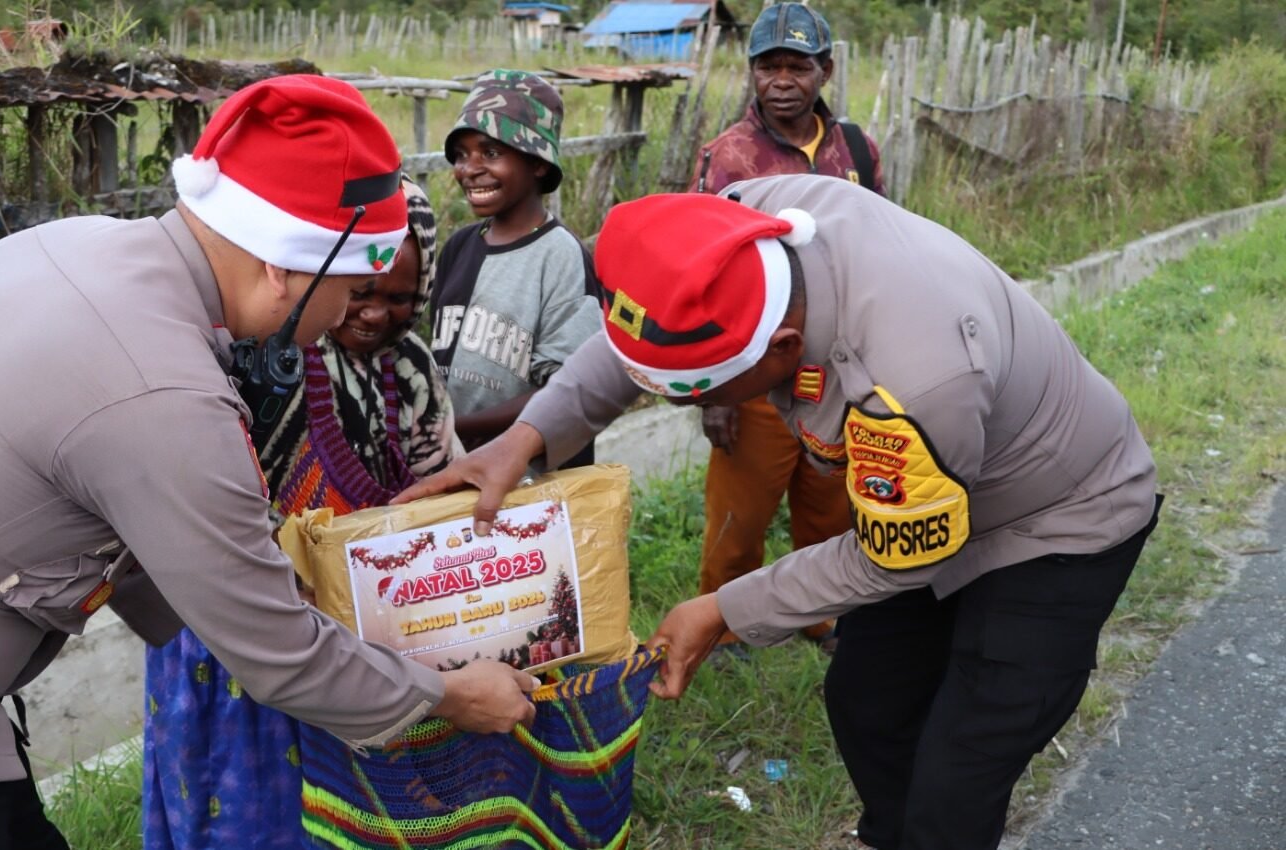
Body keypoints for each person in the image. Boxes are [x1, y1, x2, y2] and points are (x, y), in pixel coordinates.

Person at [0, 76, 534, 849]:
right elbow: (280, 661)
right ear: (282, 266)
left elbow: (144, 540)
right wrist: (447, 695)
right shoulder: (162, 390)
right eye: (348, 286)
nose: (344, 314)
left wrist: (276, 583)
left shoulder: (81, 245)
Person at [396, 175, 1161, 850]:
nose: (691, 409)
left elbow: (898, 555)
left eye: (704, 395)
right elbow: (639, 334)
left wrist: (726, 607)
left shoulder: (912, 380)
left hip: (1056, 522)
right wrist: (525, 438)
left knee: (961, 768)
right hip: (933, 494)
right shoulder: (741, 234)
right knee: (869, 700)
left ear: (784, 347)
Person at [143, 178, 453, 850]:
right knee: (251, 808)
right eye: (359, 291)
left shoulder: (416, 373)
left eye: (399, 297)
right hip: (249, 621)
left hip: (369, 621)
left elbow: (443, 475)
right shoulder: (262, 363)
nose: (373, 313)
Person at [690, 2, 886, 654]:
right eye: (768, 66)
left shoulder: (856, 149)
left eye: (796, 66)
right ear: (751, 74)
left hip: (835, 368)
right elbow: (702, 274)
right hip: (755, 371)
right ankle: (723, 630)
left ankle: (822, 617)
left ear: (823, 70)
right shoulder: (727, 159)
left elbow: (885, 250)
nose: (781, 81)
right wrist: (713, 392)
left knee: (830, 508)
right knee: (739, 517)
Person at [430, 69, 602, 464]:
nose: (469, 169)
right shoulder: (459, 247)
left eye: (491, 153)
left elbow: (568, 389)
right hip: (454, 464)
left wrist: (459, 426)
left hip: (529, 478)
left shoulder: (559, 256)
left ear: (539, 162)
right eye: (460, 155)